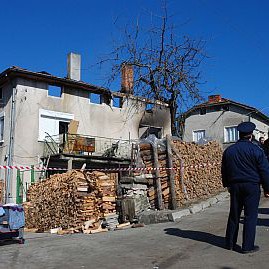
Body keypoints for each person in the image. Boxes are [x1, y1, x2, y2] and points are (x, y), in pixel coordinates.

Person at [221, 122, 269, 254]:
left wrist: (227, 185)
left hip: (235, 186)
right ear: (251, 135)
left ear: (239, 134)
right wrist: (267, 188)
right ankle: (247, 246)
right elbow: (264, 170)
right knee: (250, 216)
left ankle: (230, 243)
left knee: (234, 214)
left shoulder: (229, 151)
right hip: (252, 186)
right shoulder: (256, 150)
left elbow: (224, 170)